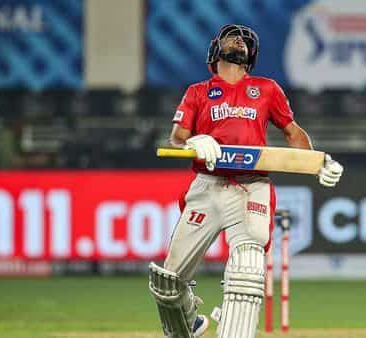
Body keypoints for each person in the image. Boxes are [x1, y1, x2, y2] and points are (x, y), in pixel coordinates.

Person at [147, 24, 343, 338]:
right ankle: (190, 324)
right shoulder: (197, 92)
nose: (239, 39)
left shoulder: (266, 89)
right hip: (207, 186)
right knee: (167, 283)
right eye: (231, 36)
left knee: (247, 267)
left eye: (245, 39)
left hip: (251, 184)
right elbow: (177, 138)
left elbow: (293, 132)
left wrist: (317, 163)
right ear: (215, 49)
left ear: (250, 55)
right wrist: (195, 142)